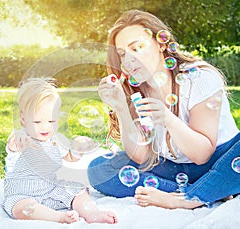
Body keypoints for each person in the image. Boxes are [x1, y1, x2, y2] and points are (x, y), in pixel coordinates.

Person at [87, 9, 240, 209]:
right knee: (99, 169)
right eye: (122, 54)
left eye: (137, 48)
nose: (128, 60)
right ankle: (209, 190)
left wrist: (168, 119)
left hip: (221, 160)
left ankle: (189, 198)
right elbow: (141, 157)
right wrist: (121, 107)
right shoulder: (136, 91)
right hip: (175, 169)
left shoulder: (200, 79)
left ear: (161, 44)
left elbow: (202, 154)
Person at [2, 78, 117, 224]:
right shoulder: (20, 136)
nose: (45, 127)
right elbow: (13, 145)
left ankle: (92, 213)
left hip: (53, 188)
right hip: (24, 194)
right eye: (37, 122)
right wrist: (19, 141)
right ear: (23, 119)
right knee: (22, 209)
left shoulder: (56, 139)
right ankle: (58, 217)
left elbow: (68, 157)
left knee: (79, 191)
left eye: (51, 121)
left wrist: (77, 151)